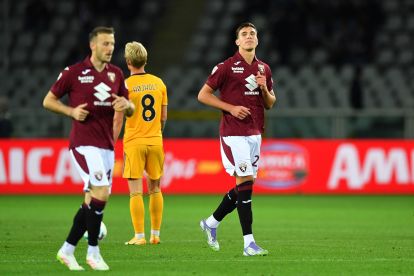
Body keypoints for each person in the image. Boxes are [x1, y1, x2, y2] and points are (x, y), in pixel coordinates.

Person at [43, 26, 135, 271]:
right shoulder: (74, 73)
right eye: (105, 44)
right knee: (101, 191)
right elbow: (48, 100)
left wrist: (127, 106)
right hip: (84, 144)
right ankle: (93, 253)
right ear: (93, 45)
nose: (110, 49)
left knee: (91, 200)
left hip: (106, 146)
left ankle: (67, 250)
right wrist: (70, 111)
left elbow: (130, 108)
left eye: (112, 44)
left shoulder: (116, 74)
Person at [197, 22, 276, 256]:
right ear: (237, 42)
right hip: (233, 133)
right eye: (244, 34)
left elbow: (270, 103)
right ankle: (248, 243)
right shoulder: (226, 67)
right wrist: (230, 108)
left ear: (257, 40)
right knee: (246, 185)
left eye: (253, 33)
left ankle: (211, 223)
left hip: (255, 133)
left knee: (244, 186)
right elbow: (203, 95)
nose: (249, 36)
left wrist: (264, 89)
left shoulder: (264, 69)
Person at [122, 41, 168, 246]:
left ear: (128, 61)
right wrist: (155, 134)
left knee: (135, 191)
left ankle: (139, 236)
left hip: (134, 141)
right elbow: (164, 117)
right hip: (155, 140)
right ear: (145, 59)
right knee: (155, 189)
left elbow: (118, 116)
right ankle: (155, 235)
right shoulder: (159, 83)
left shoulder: (124, 86)